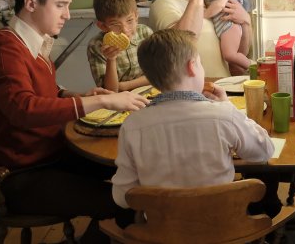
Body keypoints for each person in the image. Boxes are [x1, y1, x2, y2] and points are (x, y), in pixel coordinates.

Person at [0, 0, 150, 244]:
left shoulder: (31, 44)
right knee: (128, 198)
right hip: (24, 174)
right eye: (60, 5)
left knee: (136, 171)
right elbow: (23, 110)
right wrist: (104, 99)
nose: (67, 14)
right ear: (31, 4)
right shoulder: (4, 51)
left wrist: (75, 97)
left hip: (52, 154)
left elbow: (47, 91)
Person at [111, 29, 274, 208]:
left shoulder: (133, 125)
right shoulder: (224, 115)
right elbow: (264, 151)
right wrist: (227, 106)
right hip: (224, 229)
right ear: (191, 66)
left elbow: (122, 197)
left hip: (162, 232)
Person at [87, 0, 153, 91]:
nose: (125, 30)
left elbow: (159, 75)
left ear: (136, 16)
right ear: (102, 26)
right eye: (115, 25)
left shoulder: (145, 33)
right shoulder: (97, 46)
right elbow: (110, 91)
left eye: (130, 21)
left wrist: (124, 86)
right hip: (119, 103)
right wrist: (111, 59)